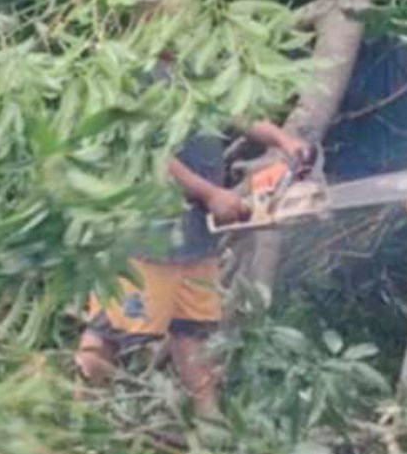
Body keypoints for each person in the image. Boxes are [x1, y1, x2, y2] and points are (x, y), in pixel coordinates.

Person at [74, 99, 310, 420]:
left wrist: (284, 141)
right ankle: (80, 415)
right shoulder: (137, 74)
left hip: (197, 235)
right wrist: (210, 194)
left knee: (195, 333)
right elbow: (148, 153)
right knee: (108, 333)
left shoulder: (195, 65)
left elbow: (233, 108)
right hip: (147, 235)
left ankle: (209, 424)